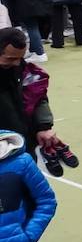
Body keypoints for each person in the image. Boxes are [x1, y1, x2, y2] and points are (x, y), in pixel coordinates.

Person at [0, 27, 57, 158]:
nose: (16, 63)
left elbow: (37, 97)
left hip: (24, 145)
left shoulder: (25, 70)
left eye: (20, 58)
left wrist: (43, 127)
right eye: (10, 58)